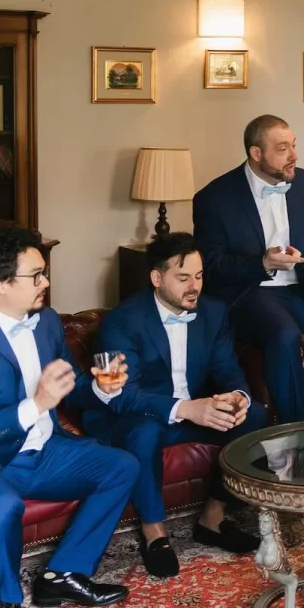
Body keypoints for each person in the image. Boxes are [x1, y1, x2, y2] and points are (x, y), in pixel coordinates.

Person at [0, 227, 138, 608]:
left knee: (122, 466)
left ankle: (62, 574)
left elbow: (72, 387)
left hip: (47, 450)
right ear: (0, 283)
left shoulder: (46, 322)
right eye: (36, 275)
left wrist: (103, 388)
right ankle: (7, 601)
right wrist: (36, 403)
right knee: (1, 507)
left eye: (44, 272)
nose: (46, 282)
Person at [81, 233, 268, 578]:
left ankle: (213, 518)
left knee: (254, 415)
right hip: (133, 416)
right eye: (183, 278)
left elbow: (229, 372)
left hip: (188, 413)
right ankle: (155, 534)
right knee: (145, 431)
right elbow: (120, 396)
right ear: (157, 278)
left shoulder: (213, 312)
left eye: (199, 276)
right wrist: (187, 408)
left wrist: (237, 397)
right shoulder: (121, 321)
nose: (194, 286)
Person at [193, 115, 304, 424]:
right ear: (256, 153)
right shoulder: (214, 197)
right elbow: (212, 266)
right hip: (250, 293)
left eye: (294, 145)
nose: (294, 155)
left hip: (299, 290)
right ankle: (295, 436)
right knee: (285, 335)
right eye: (282, 148)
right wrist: (262, 263)